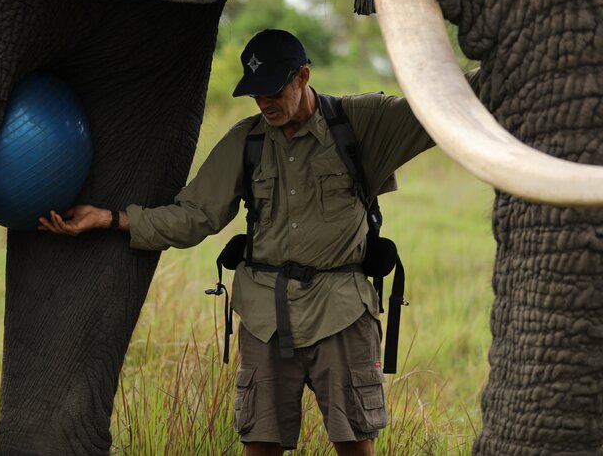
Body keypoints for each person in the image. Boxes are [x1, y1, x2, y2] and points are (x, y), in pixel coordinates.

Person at [39, 29, 434, 455]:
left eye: (273, 90)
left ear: (303, 77)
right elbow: (193, 216)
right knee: (259, 445)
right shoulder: (247, 141)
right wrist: (110, 218)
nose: (264, 103)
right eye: (255, 93)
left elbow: (437, 107)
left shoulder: (359, 122)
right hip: (266, 317)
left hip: (341, 313)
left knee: (355, 445)